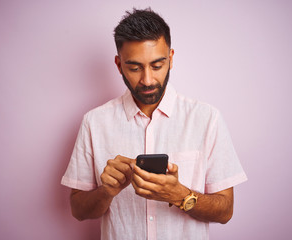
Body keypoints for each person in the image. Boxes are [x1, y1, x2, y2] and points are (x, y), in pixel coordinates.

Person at [61, 8, 247, 240]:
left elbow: (225, 211)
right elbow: (78, 210)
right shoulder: (94, 122)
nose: (147, 80)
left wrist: (179, 195)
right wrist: (106, 192)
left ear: (170, 58)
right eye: (135, 67)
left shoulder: (207, 118)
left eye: (157, 66)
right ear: (119, 65)